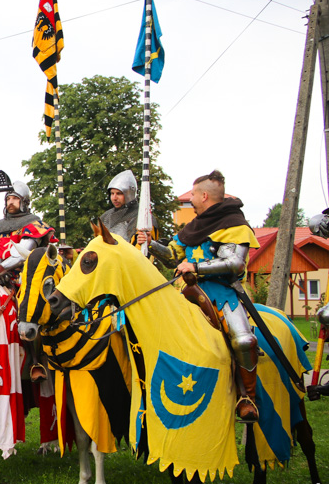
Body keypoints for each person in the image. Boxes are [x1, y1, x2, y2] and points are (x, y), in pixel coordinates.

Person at [137, 170, 260, 422]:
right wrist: (150, 243)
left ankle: (247, 398)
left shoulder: (234, 224)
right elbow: (173, 256)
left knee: (244, 340)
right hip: (184, 290)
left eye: (192, 195)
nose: (190, 200)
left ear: (204, 195)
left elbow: (235, 263)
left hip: (221, 291)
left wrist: (197, 267)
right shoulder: (194, 226)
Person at [0, 177, 56, 286]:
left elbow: (21, 255)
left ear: (24, 201)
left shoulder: (34, 226)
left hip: (27, 282)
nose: (10, 202)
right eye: (8, 199)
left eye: (15, 198)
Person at [100, 169, 158, 245]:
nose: (114, 198)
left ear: (129, 194)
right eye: (112, 193)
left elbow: (147, 248)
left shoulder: (143, 217)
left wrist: (149, 243)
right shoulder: (105, 217)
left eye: (119, 193)